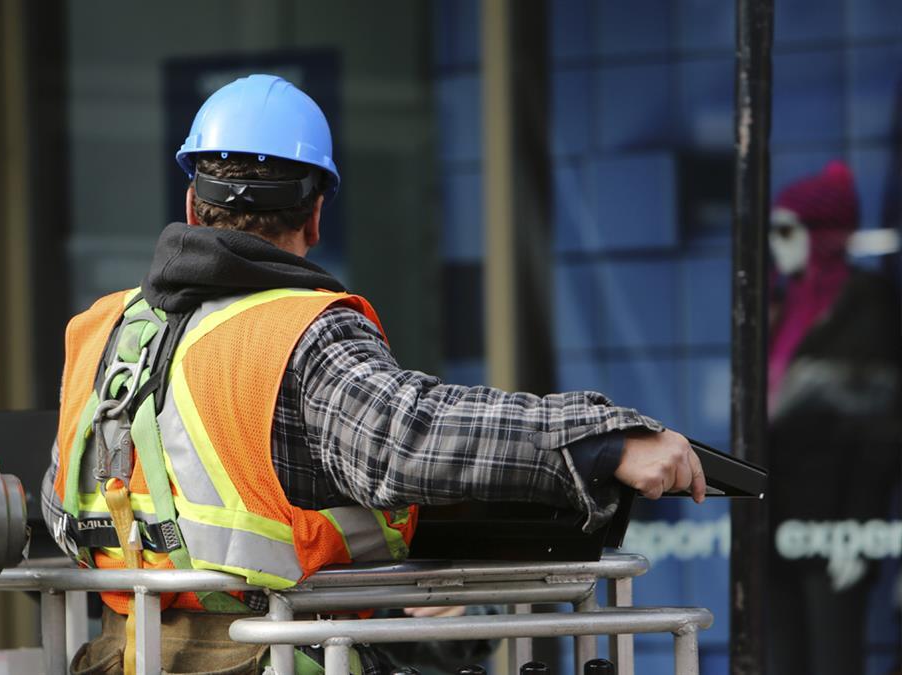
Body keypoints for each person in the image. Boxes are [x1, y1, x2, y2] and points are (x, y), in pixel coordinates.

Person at [40, 74, 706, 675]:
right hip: (267, 658)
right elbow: (404, 437)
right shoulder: (297, 330)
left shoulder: (103, 330)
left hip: (125, 656)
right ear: (317, 214)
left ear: (191, 203)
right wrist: (603, 438)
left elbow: (61, 501)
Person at [765, 161, 902, 675]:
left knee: (833, 658)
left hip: (834, 522)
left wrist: (858, 529)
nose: (776, 244)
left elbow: (880, 432)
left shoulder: (867, 304)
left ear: (821, 234)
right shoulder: (780, 306)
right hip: (777, 518)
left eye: (786, 230)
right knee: (782, 658)